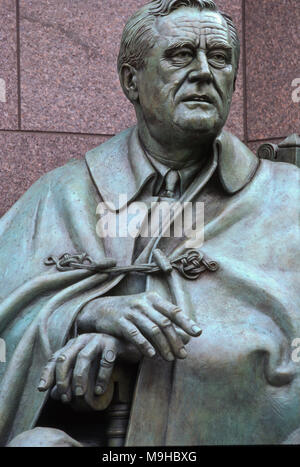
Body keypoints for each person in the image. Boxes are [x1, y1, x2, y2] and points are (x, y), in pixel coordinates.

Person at [1, 0, 299, 446]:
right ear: (130, 81)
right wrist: (84, 315)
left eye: (219, 58)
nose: (203, 71)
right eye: (180, 55)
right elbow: (10, 308)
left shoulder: (289, 196)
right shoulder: (60, 194)